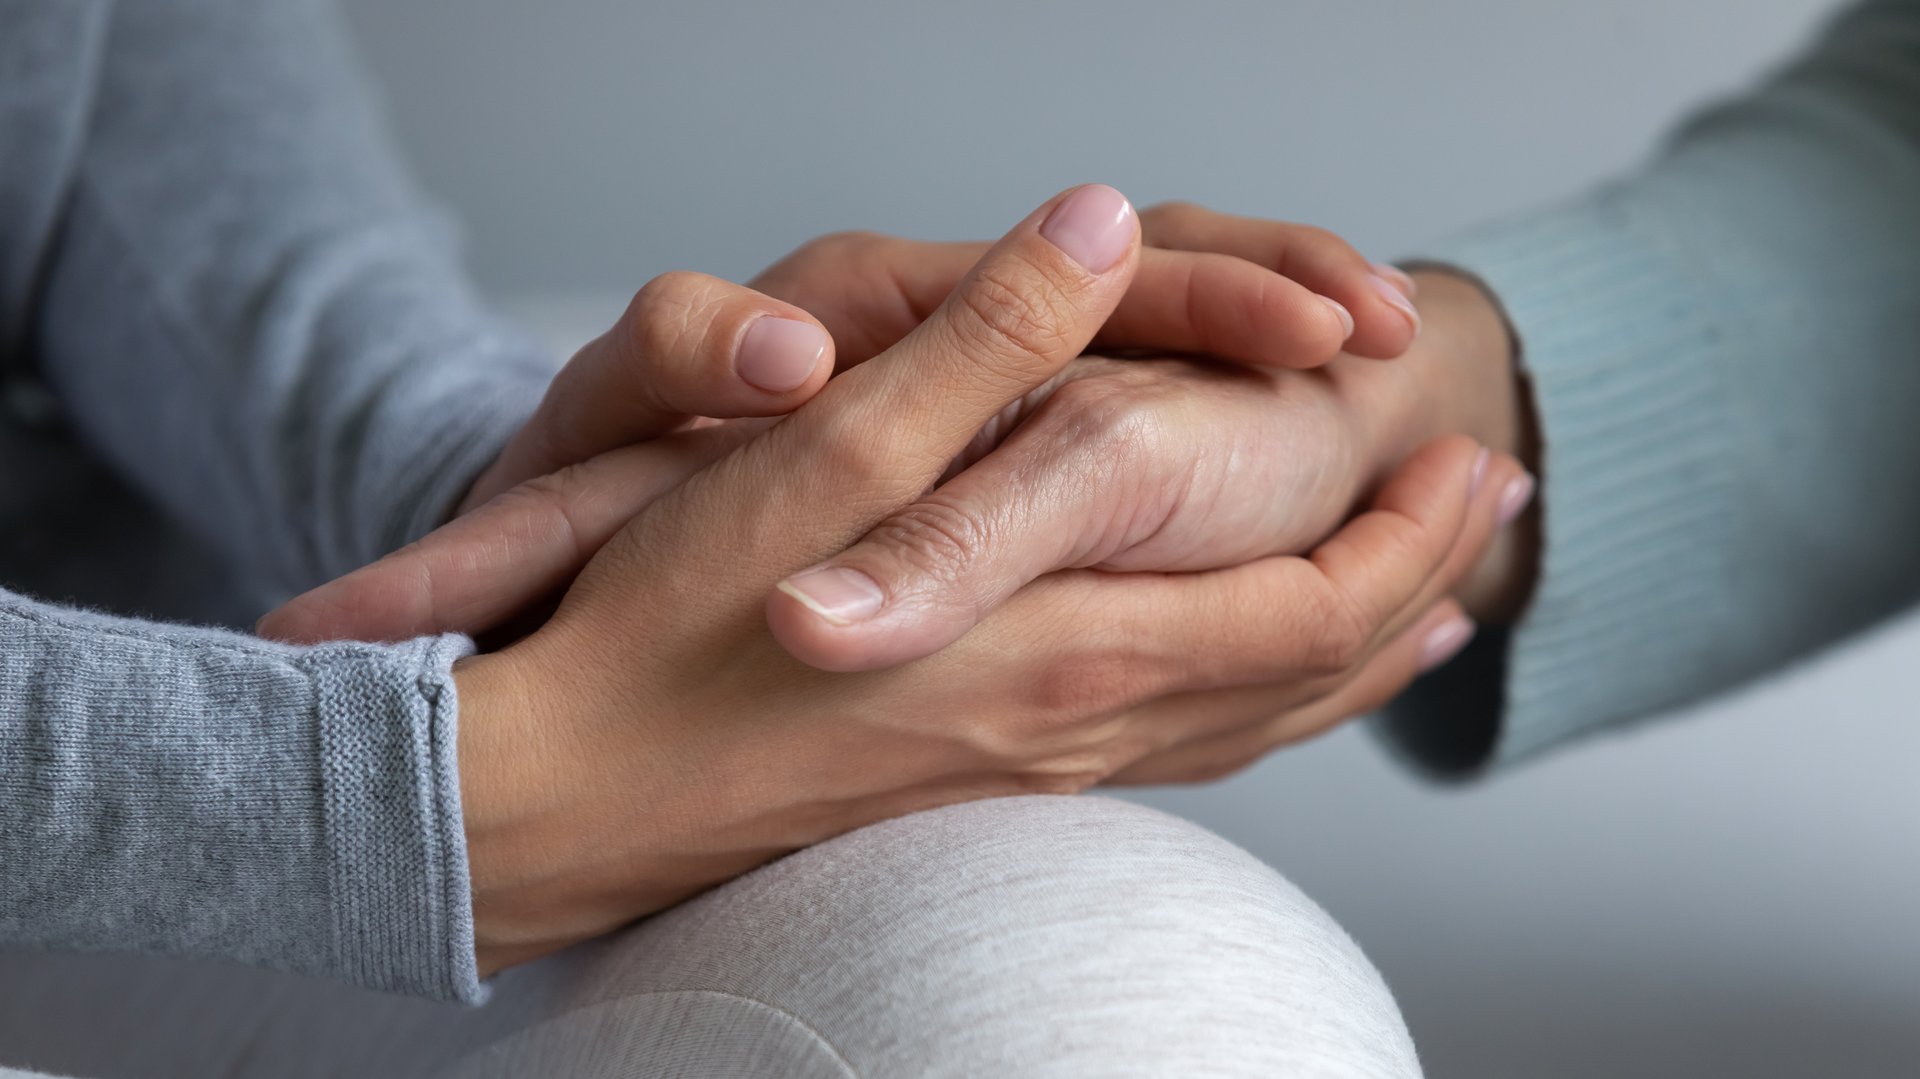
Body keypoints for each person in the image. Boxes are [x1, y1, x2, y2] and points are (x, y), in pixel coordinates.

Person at [0, 1, 1508, 1076]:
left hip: (167, 685)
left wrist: (545, 509)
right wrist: (417, 809)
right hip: (191, 789)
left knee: (1125, 996)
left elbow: (86, 109)